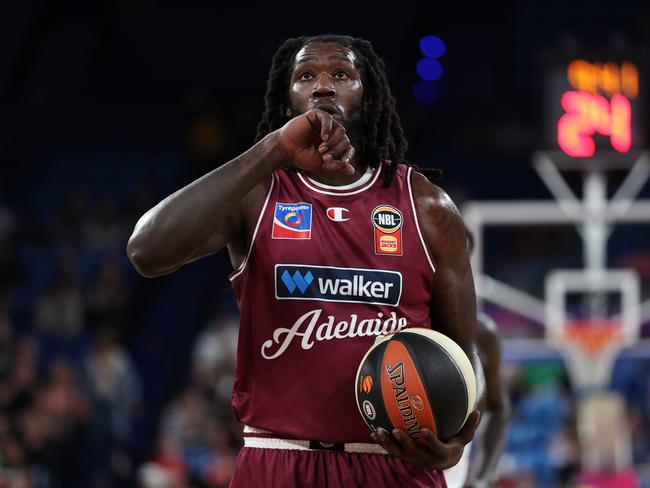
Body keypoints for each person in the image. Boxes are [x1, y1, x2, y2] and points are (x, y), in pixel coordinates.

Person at [127, 34, 484, 487]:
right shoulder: (256, 195)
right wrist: (272, 149)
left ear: (369, 99)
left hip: (394, 466)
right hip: (277, 460)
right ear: (287, 99)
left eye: (341, 74)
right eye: (305, 76)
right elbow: (146, 251)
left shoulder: (426, 207)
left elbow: (462, 354)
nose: (322, 86)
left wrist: (459, 432)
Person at [443, 313, 510, 488]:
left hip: (452, 480)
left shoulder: (482, 333)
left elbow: (498, 407)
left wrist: (483, 478)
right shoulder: (399, 328)